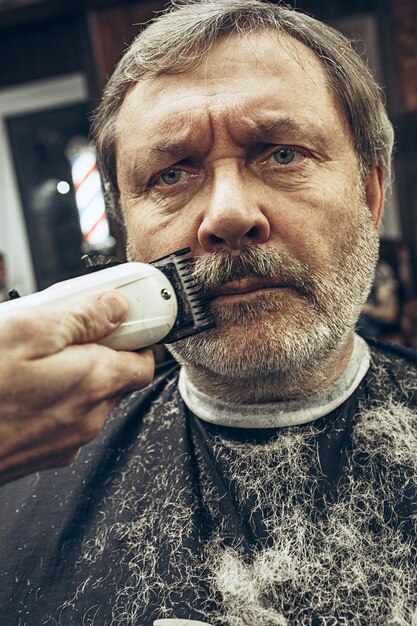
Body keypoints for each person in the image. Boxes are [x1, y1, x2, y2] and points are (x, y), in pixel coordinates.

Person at [0, 1, 416, 625]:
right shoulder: (20, 484)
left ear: (370, 193)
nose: (227, 215)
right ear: (127, 239)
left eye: (281, 154)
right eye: (171, 173)